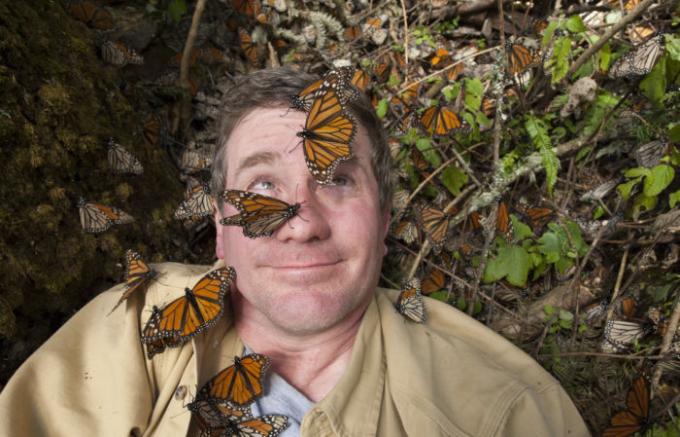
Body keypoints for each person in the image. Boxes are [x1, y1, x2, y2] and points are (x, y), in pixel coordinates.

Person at [0, 68, 590, 436]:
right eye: (262, 188)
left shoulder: (504, 411)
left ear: (385, 218)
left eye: (335, 180)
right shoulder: (139, 324)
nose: (301, 223)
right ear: (220, 228)